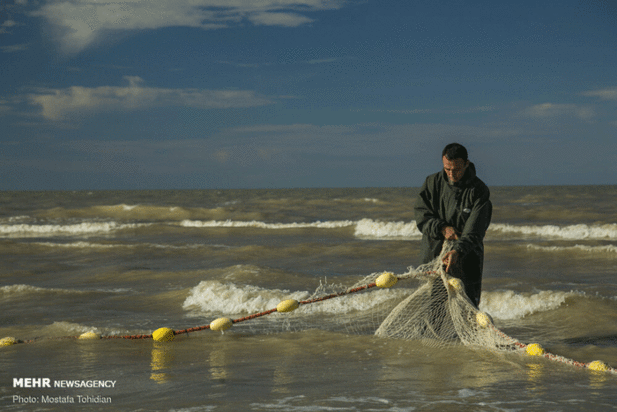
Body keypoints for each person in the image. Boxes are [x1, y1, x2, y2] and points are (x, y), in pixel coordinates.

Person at [414, 143, 492, 307]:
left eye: (456, 169)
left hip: (467, 259)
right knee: (431, 308)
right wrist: (442, 228)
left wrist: (458, 250)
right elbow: (422, 216)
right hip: (433, 255)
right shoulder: (431, 183)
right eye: (447, 169)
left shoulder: (479, 191)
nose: (451, 174)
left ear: (466, 164)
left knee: (465, 308)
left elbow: (475, 231)